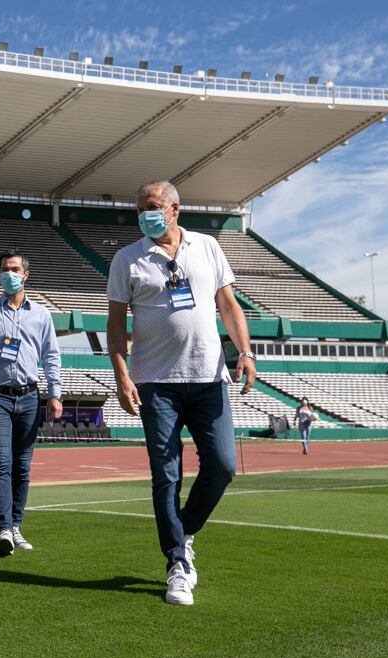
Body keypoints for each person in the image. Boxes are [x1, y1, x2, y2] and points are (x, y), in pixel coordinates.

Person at [106, 181, 256, 606]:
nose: (144, 215)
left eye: (152, 207)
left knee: (224, 466)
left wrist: (244, 352)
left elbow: (228, 305)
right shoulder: (127, 259)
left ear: (175, 209)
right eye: (139, 208)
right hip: (155, 383)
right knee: (166, 474)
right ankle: (176, 563)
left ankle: (185, 530)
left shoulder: (207, 246)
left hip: (209, 378)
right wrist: (121, 375)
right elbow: (116, 326)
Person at [0, 248, 63, 556]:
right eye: (5, 269)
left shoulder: (42, 314)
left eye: (15, 269)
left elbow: (51, 356)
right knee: (1, 463)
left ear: (26, 274)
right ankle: (3, 528)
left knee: (22, 467)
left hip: (30, 397)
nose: (10, 274)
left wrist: (55, 393)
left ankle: (16, 524)